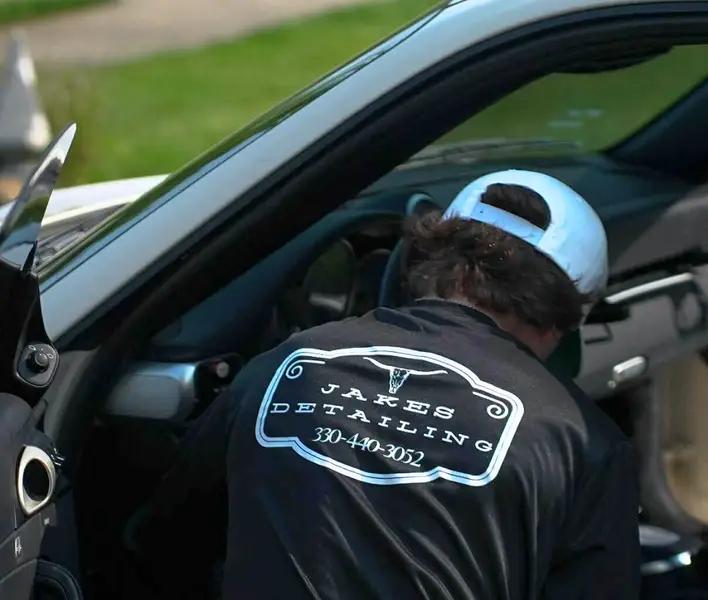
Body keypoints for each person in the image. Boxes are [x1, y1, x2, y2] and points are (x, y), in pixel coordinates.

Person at [133, 169, 641, 600]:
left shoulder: (287, 364)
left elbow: (166, 543)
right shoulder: (584, 443)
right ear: (562, 319)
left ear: (425, 262)